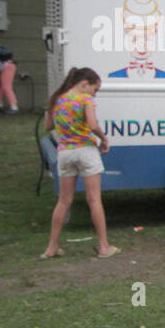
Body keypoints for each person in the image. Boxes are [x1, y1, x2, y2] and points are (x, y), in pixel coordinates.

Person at [40, 67, 120, 259]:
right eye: (95, 89)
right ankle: (104, 246)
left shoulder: (57, 100)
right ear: (84, 84)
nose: (95, 93)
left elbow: (48, 127)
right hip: (86, 151)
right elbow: (93, 125)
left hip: (65, 152)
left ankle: (52, 247)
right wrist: (104, 138)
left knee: (64, 201)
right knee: (94, 200)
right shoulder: (85, 100)